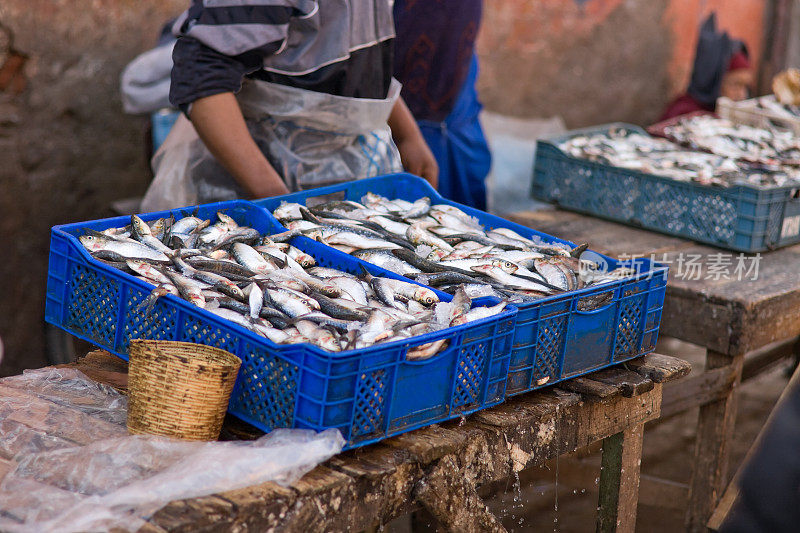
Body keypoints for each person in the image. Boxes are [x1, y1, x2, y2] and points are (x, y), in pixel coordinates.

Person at [141, 1, 437, 212]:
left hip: (341, 187)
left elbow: (351, 59)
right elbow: (202, 76)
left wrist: (408, 135)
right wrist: (275, 199)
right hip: (251, 194)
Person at [392, 0, 491, 210]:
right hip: (403, 100)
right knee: (413, 209)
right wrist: (407, 135)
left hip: (455, 83)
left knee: (467, 215)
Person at [659, 13, 753, 122]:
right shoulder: (683, 115)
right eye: (736, 84)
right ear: (713, 81)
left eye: (746, 87)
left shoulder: (728, 117)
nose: (742, 95)